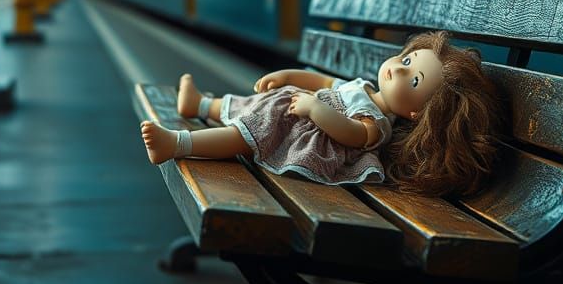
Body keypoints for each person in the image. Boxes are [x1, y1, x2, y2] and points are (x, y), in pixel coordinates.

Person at [140, 30, 505, 197]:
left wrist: (316, 108)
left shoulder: (378, 124)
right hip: (292, 113)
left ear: (417, 114)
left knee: (247, 134)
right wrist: (289, 77)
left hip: (305, 136)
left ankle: (177, 143)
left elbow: (351, 134)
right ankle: (201, 105)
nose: (400, 69)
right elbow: (322, 80)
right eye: (407, 60)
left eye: (413, 80)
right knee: (253, 108)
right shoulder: (364, 87)